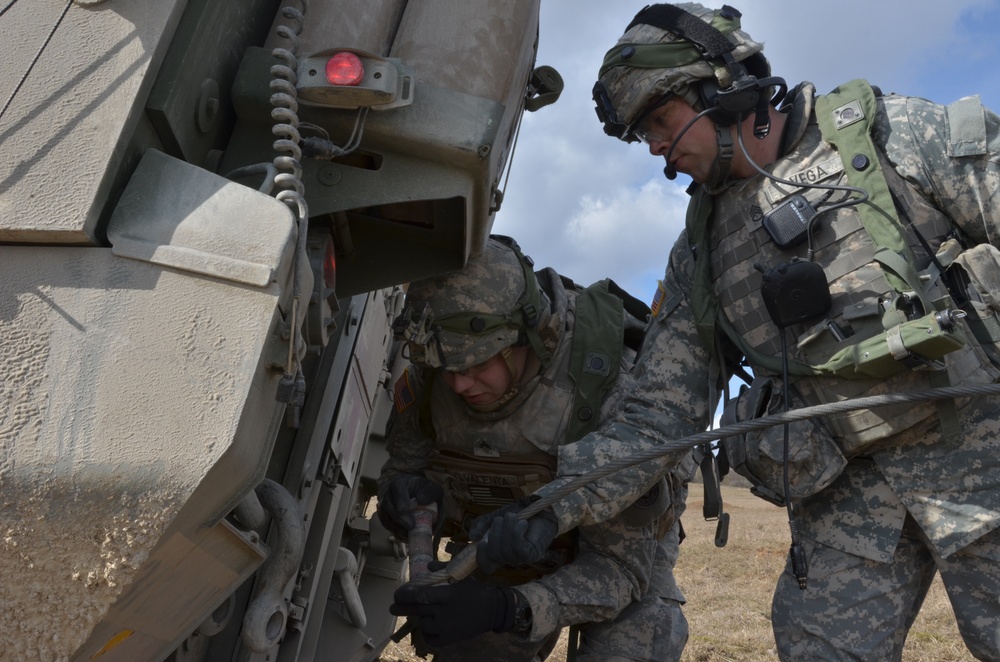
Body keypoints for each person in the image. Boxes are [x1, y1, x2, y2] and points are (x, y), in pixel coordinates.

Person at [475, 3, 1000, 661]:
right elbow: (657, 420)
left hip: (983, 460)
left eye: (663, 123)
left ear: (724, 88)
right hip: (852, 503)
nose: (660, 150)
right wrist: (552, 508)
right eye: (646, 139)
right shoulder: (700, 255)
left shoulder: (891, 137)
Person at [377, 236, 694, 661]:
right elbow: (403, 468)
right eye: (445, 369)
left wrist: (509, 610)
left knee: (629, 645)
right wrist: (400, 498)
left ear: (528, 336)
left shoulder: (610, 395)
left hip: (612, 560)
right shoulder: (432, 374)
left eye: (477, 364)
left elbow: (618, 572)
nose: (459, 384)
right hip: (493, 559)